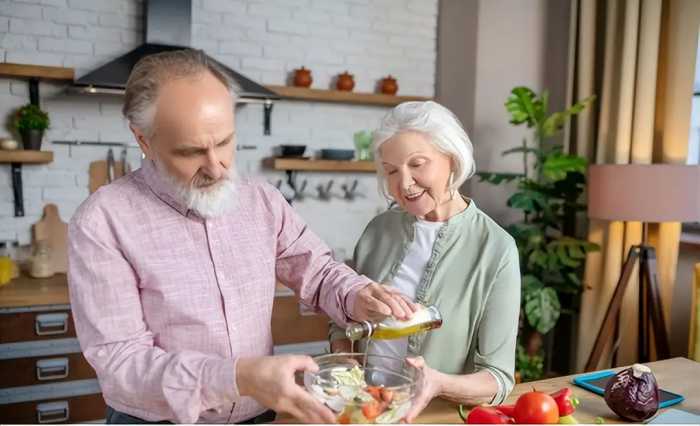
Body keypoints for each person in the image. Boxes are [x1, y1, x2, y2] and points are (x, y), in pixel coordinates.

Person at [67, 49, 415, 424]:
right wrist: (237, 377)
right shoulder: (103, 221)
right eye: (191, 152)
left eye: (225, 142)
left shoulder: (261, 200)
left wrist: (356, 294)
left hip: (257, 416)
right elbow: (123, 365)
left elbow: (318, 271)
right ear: (144, 140)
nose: (216, 167)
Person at [329, 101, 521, 422]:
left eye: (417, 164)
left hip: (433, 418)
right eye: (391, 170)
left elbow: (497, 378)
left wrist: (437, 383)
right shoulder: (378, 231)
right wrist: (344, 358)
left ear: (452, 158)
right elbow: (343, 318)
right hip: (363, 412)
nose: (403, 183)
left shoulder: (496, 249)